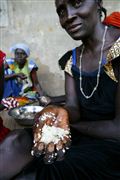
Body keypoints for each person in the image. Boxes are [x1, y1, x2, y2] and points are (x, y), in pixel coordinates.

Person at [0, 1, 120, 180]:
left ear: (98, 2)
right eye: (61, 11)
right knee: (15, 141)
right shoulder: (72, 59)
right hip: (77, 133)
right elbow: (73, 108)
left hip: (111, 143)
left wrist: (66, 124)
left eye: (77, 2)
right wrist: (58, 110)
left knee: (52, 166)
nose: (68, 16)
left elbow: (117, 129)